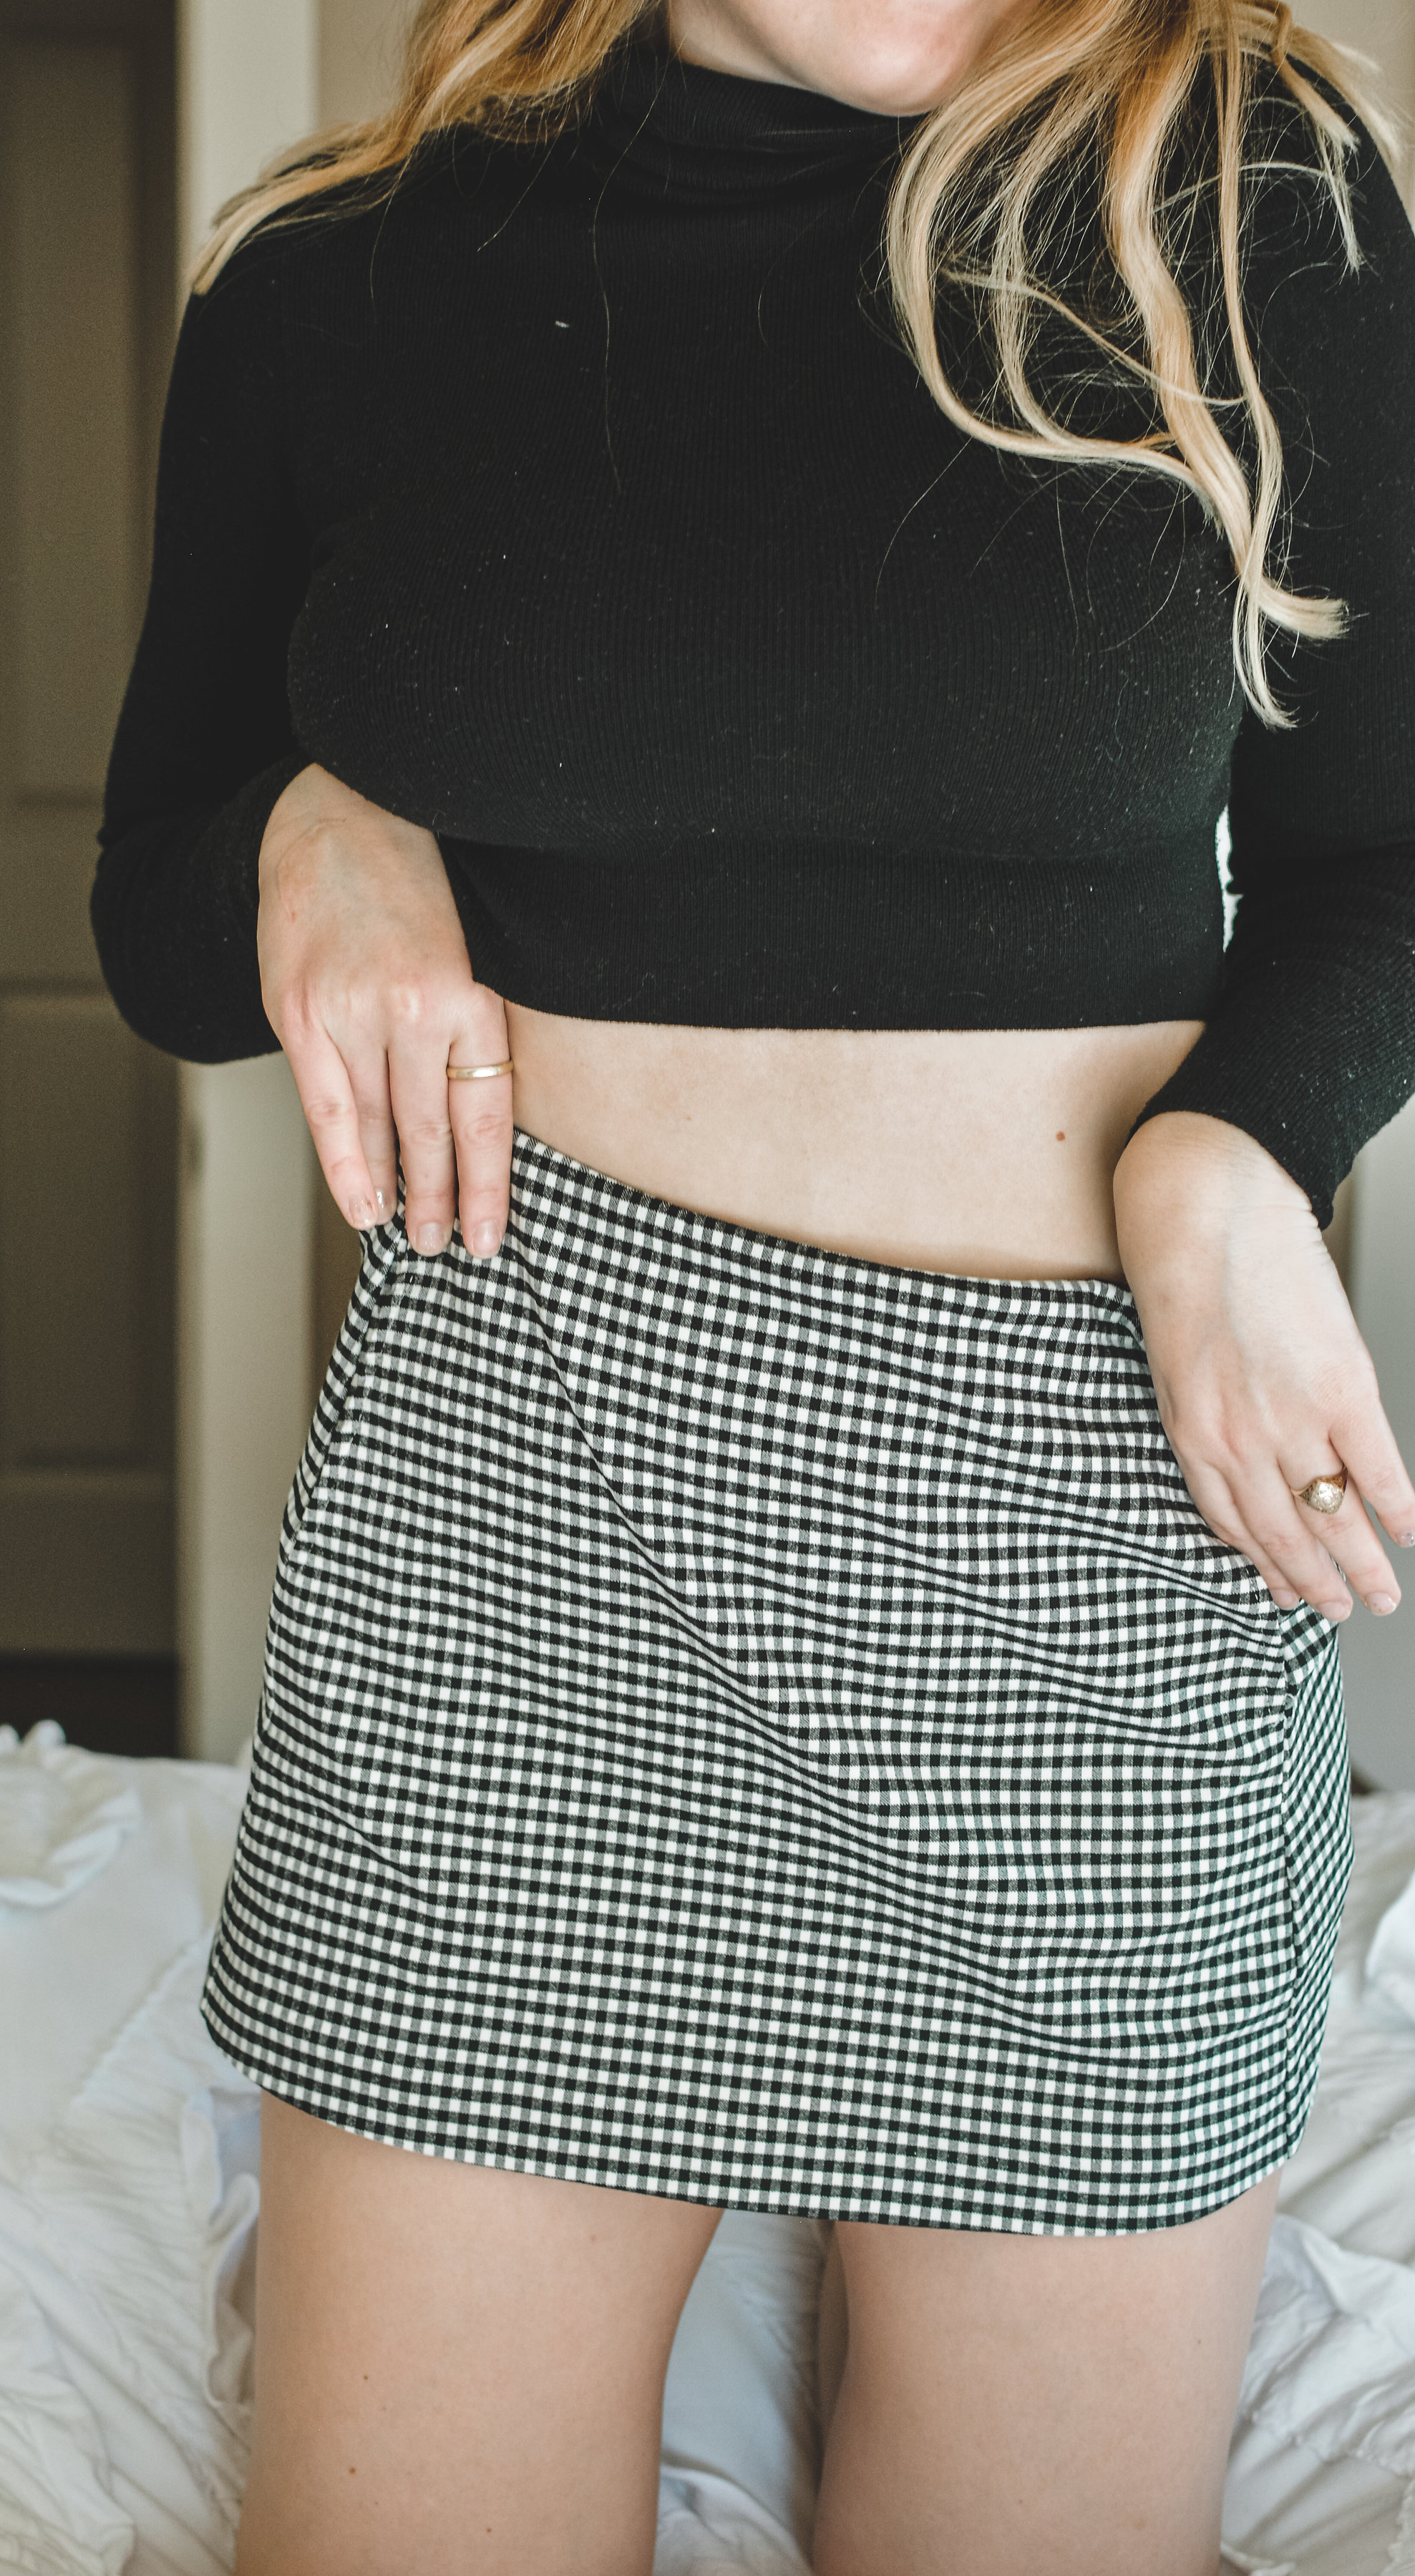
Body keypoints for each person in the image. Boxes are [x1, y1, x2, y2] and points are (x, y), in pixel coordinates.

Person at [92, 0, 1415, 2560]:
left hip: (1086, 1556)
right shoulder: (339, 280)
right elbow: (156, 912)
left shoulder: (1253, 209)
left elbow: (1388, 846)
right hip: (522, 1521)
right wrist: (302, 829)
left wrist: (1236, 1153)